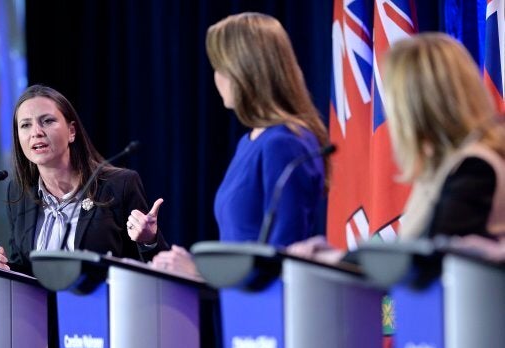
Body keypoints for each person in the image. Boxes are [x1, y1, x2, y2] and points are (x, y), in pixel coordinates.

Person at [287, 32, 505, 261]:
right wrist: (337, 257)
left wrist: (333, 260)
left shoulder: (475, 167)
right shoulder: (446, 165)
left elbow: (428, 262)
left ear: (417, 109)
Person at [152, 12, 328, 277]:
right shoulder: (249, 142)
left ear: (245, 71)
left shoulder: (284, 143)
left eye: (221, 68)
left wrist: (200, 273)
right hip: (236, 307)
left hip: (266, 312)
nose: (217, 78)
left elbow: (282, 261)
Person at [0, 84, 167, 274]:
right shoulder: (20, 192)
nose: (36, 132)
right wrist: (1, 267)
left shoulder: (119, 185)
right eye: (26, 125)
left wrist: (149, 241)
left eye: (47, 121)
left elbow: (158, 271)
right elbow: (25, 267)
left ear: (71, 131)